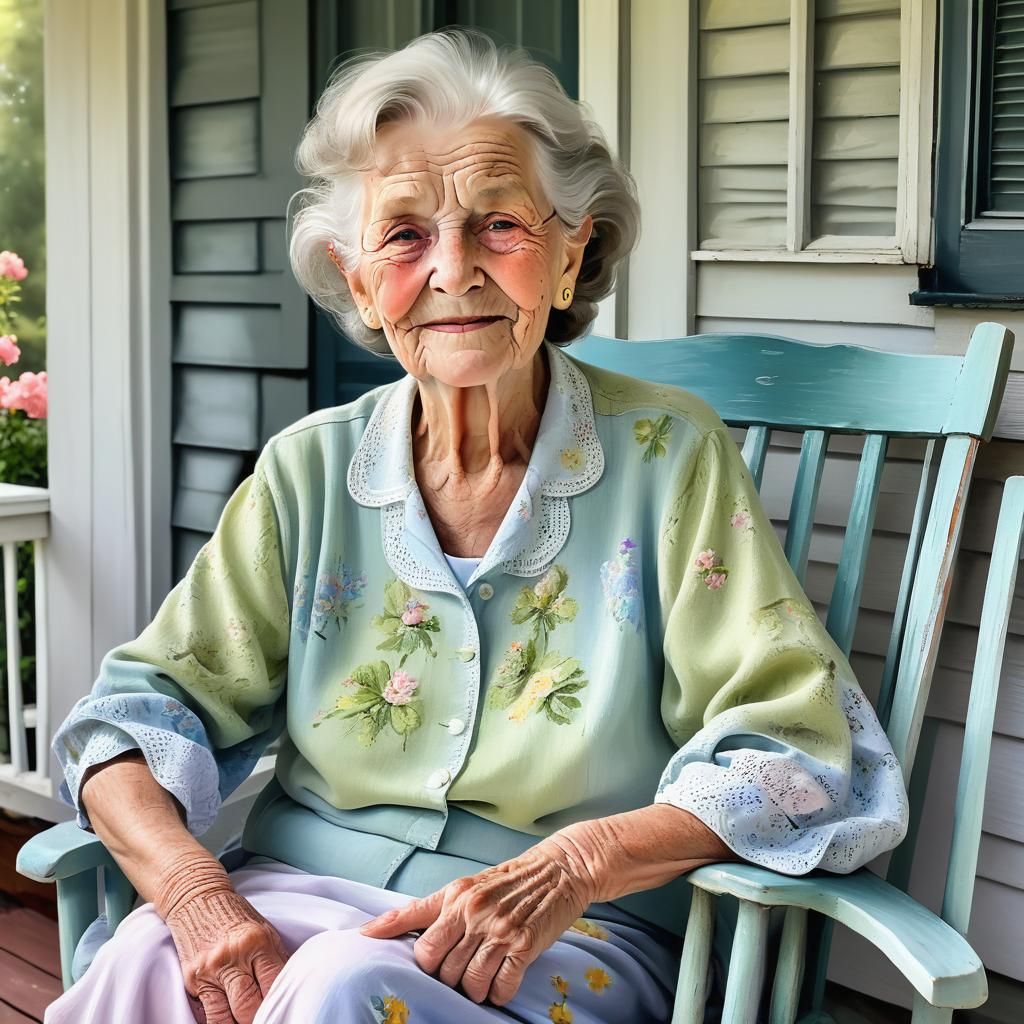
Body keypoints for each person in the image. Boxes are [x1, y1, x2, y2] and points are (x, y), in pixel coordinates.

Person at [45, 29, 908, 1024]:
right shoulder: (309, 469)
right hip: (302, 896)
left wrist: (579, 862)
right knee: (151, 954)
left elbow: (795, 747)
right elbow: (133, 717)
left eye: (498, 225)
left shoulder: (669, 455)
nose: (452, 270)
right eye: (404, 236)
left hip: (567, 935)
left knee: (335, 984)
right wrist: (195, 897)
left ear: (572, 247)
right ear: (357, 277)